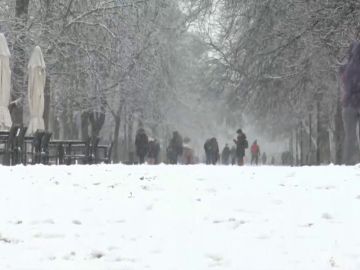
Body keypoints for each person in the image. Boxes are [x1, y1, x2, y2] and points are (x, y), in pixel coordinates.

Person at [340, 41, 360, 165]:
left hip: (349, 105)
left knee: (350, 137)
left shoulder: (347, 67)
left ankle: (348, 162)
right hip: (355, 102)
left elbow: (346, 86)